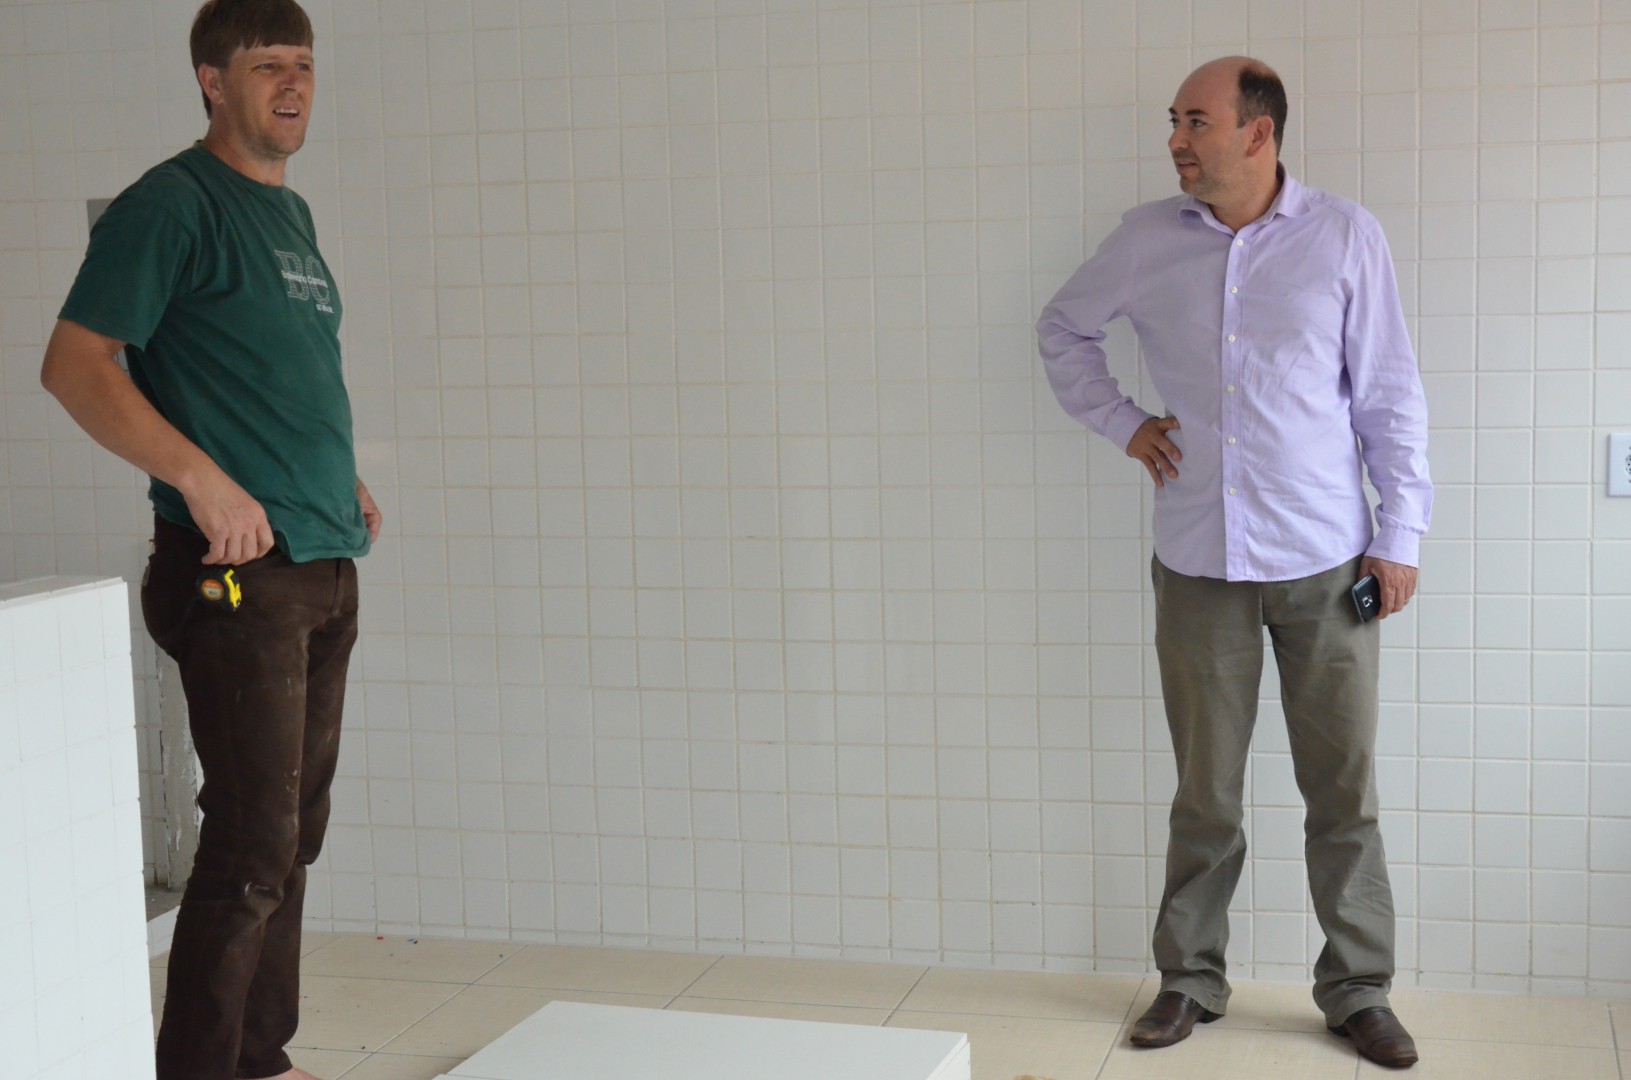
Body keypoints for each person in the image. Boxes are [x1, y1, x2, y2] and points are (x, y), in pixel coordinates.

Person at [1036, 57, 1431, 1070]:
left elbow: (1387, 393)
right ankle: (1187, 980)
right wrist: (1124, 424)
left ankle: (1357, 990)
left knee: (1341, 791)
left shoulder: (1343, 235)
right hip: (1197, 560)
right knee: (1203, 792)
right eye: (1173, 121)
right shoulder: (1144, 240)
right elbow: (1063, 329)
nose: (1176, 139)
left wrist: (1398, 535)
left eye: (1195, 121)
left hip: (1324, 561)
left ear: (1257, 132)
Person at [39, 2, 380, 1077]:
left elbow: (266, 374)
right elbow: (75, 365)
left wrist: (336, 479)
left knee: (291, 838)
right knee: (247, 844)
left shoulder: (289, 214)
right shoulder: (170, 206)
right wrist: (198, 479)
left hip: (320, 558)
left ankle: (260, 1060)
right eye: (267, 65)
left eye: (304, 64)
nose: (293, 84)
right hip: (237, 574)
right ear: (211, 80)